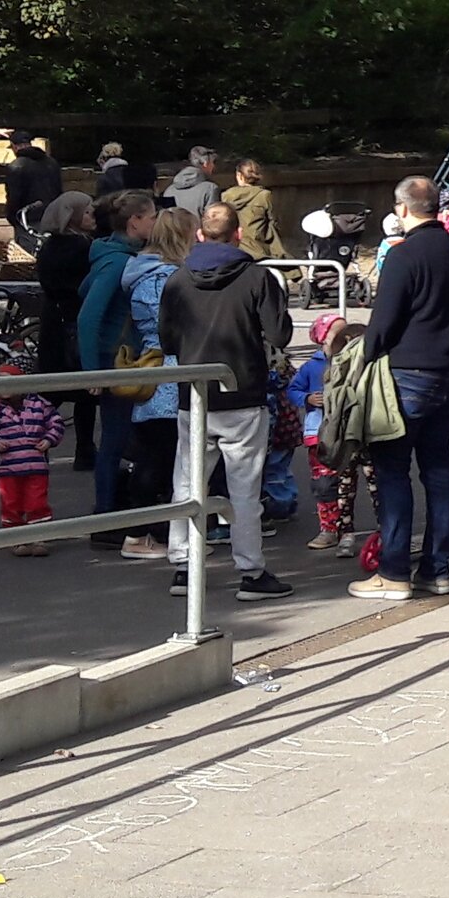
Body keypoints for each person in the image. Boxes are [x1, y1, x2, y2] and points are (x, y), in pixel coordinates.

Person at [159, 202, 294, 602]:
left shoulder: (178, 280)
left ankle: (184, 567)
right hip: (243, 392)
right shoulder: (257, 277)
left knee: (187, 483)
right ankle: (251, 571)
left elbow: (167, 342)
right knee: (245, 490)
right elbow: (280, 334)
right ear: (238, 234)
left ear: (200, 234)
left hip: (193, 393)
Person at [354, 176, 449, 600]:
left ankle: (393, 571)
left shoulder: (403, 256)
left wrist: (365, 357)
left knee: (393, 473)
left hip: (408, 374)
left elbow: (383, 323)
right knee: (438, 470)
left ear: (402, 209)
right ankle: (437, 568)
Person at [77, 189, 157, 547]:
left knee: (119, 439)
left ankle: (113, 510)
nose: (155, 222)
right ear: (134, 221)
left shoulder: (112, 255)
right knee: (115, 440)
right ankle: (108, 514)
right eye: (151, 215)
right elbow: (89, 315)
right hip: (118, 360)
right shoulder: (118, 262)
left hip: (118, 358)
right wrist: (94, 369)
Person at [118, 208, 197, 560]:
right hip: (166, 371)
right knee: (158, 458)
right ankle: (138, 535)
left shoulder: (146, 273)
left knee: (161, 457)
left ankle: (160, 532)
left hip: (160, 368)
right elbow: (168, 326)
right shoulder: (163, 278)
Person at [33, 192, 98, 470]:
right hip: (75, 319)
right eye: (87, 212)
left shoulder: (48, 247)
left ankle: (35, 440)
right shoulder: (84, 249)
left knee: (50, 389)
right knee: (84, 391)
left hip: (52, 320)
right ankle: (84, 449)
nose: (92, 217)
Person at [292, 312, 362, 550]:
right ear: (323, 338)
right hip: (319, 434)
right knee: (324, 484)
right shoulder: (311, 367)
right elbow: (293, 390)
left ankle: (347, 528)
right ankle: (329, 529)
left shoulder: (355, 360)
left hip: (350, 431)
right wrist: (307, 398)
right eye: (338, 332)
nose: (346, 336)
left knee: (348, 481)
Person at [0, 369, 63, 554]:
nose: (3, 388)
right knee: (10, 503)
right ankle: (16, 538)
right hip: (8, 467)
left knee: (37, 502)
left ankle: (39, 536)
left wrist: (49, 439)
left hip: (36, 464)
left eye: (8, 382)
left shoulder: (39, 404)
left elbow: (56, 423)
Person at [2, 131, 62, 249]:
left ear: (14, 147)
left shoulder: (16, 166)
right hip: (52, 217)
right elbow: (59, 190)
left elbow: (14, 198)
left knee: (27, 258)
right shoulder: (52, 163)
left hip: (27, 220)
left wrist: (13, 218)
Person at [219, 159, 286, 262]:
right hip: (258, 248)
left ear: (239, 175)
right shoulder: (265, 195)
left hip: (232, 247)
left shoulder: (225, 196)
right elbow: (275, 222)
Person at [165, 147, 222, 218]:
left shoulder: (169, 191)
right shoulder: (210, 189)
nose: (213, 166)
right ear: (205, 163)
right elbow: (213, 220)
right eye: (213, 162)